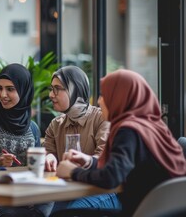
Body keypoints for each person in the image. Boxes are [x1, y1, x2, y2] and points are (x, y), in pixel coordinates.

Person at [56, 69, 186, 216]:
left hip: (140, 211)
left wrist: (73, 172)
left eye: (104, 95)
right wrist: (90, 161)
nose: (99, 101)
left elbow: (111, 177)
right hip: (165, 210)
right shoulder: (153, 125)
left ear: (120, 98)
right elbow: (125, 165)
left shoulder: (128, 130)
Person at [40, 65, 119, 215]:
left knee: (71, 213)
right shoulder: (55, 125)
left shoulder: (102, 119)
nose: (51, 94)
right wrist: (49, 157)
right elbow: (47, 151)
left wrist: (80, 165)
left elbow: (103, 159)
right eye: (51, 88)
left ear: (75, 89)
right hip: (69, 191)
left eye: (57, 88)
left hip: (102, 190)